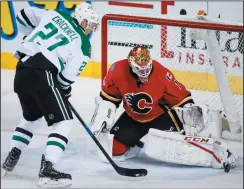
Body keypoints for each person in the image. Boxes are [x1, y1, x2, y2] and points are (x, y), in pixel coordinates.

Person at [89, 46, 237, 172]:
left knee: (180, 148)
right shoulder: (117, 70)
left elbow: (181, 97)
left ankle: (219, 154)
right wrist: (102, 116)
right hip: (133, 118)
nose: (145, 73)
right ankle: (137, 143)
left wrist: (190, 110)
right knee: (112, 151)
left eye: (147, 68)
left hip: (160, 117)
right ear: (131, 65)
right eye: (140, 70)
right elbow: (109, 98)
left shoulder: (161, 73)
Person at [1, 2, 99, 188]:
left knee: (32, 117)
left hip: (22, 70)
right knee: (63, 122)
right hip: (43, 74)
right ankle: (48, 169)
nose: (91, 30)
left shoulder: (55, 14)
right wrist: (64, 90)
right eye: (92, 25)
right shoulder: (84, 45)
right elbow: (65, 79)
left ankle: (11, 157)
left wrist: (28, 38)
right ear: (84, 22)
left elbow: (22, 16)